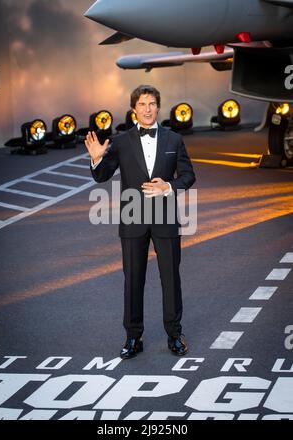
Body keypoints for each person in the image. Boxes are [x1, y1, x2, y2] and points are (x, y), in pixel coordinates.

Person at [85, 85, 196, 359]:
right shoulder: (121, 141)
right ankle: (133, 338)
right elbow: (102, 176)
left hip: (165, 218)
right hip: (132, 218)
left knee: (171, 279)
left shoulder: (173, 139)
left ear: (158, 108)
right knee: (133, 280)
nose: (147, 109)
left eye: (152, 104)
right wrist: (97, 158)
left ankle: (174, 335)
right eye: (142, 104)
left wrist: (167, 187)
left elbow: (188, 175)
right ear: (134, 109)